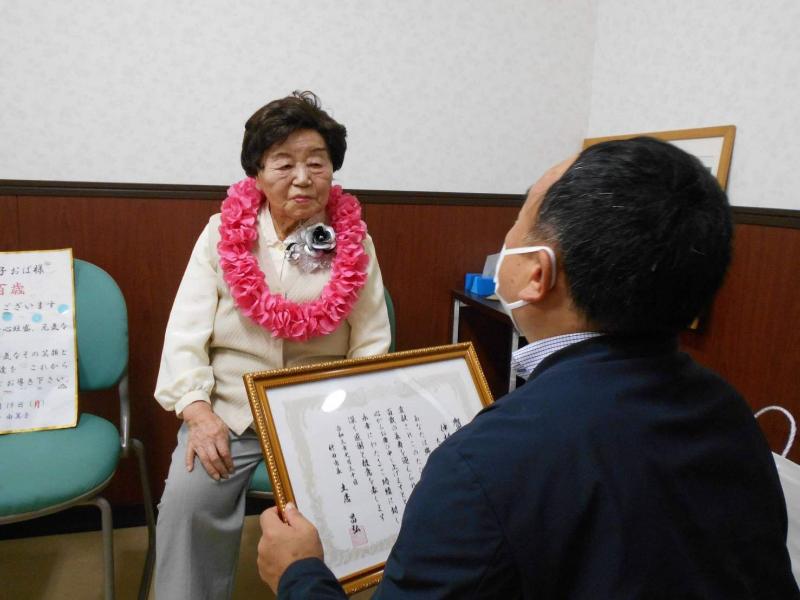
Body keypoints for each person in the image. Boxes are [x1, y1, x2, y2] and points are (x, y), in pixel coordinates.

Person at [257, 137, 800, 598]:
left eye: (519, 220)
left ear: (537, 274)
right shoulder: (729, 413)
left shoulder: (481, 464)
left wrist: (300, 574)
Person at [154, 91, 391, 600]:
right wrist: (197, 410)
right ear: (257, 172)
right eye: (283, 163)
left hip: (321, 408)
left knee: (346, 502)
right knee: (189, 501)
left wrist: (347, 415)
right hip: (231, 407)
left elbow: (371, 341)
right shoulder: (222, 233)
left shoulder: (354, 240)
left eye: (317, 163)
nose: (302, 178)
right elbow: (185, 330)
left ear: (333, 171)